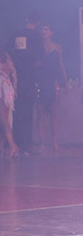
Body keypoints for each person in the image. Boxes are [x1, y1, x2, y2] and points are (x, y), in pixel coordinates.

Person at [10, 13, 43, 155]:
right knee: (28, 111)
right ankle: (26, 144)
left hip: (17, 77)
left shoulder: (17, 34)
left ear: (26, 19)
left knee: (17, 111)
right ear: (38, 22)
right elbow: (40, 59)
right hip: (30, 78)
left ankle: (16, 142)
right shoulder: (37, 37)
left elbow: (9, 53)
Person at [35, 24, 67, 152]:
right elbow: (35, 65)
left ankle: (54, 141)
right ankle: (42, 143)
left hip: (53, 83)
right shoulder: (38, 47)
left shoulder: (57, 47)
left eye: (46, 29)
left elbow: (61, 65)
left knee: (54, 114)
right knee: (41, 114)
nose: (43, 31)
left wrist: (65, 82)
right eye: (42, 29)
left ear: (51, 32)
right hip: (41, 82)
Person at [0, 41, 20, 158]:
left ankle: (12, 145)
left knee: (2, 119)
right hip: (8, 85)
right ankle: (2, 145)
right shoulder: (6, 56)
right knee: (5, 118)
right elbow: (14, 72)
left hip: (0, 86)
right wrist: (15, 88)